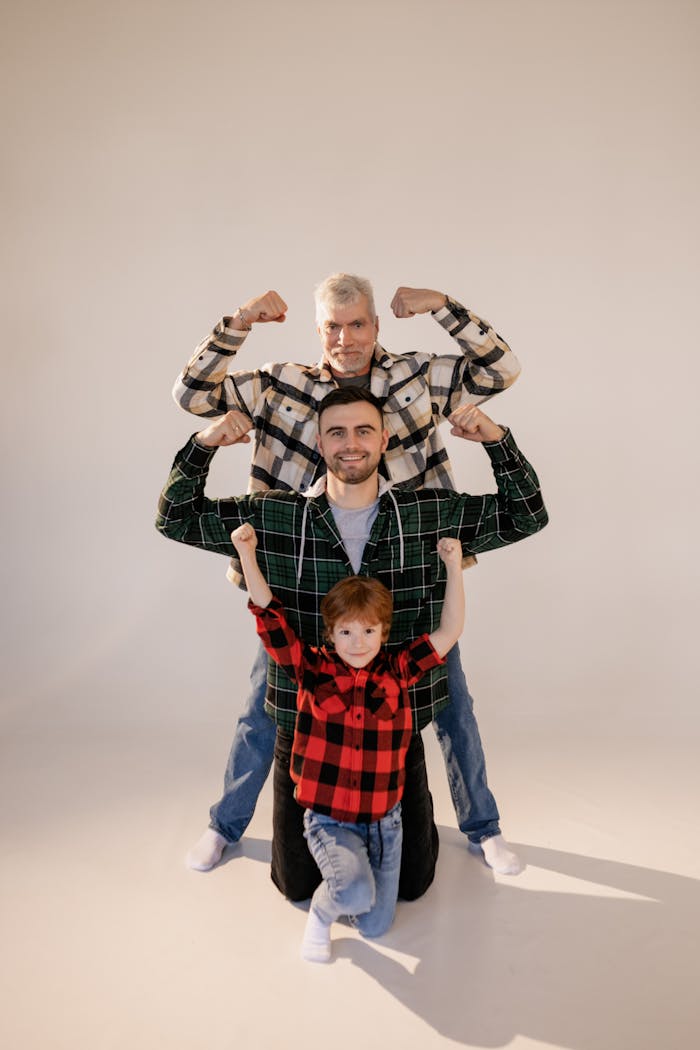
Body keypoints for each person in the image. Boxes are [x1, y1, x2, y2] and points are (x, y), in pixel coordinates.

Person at [173, 275, 527, 877]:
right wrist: (242, 319)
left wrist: (443, 306)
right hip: (300, 574)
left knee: (450, 703)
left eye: (357, 324)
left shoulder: (415, 377)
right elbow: (194, 396)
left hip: (410, 575)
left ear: (376, 326)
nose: (345, 338)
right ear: (319, 331)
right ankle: (225, 826)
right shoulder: (280, 385)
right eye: (333, 327)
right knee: (267, 704)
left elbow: (500, 370)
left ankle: (483, 828)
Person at [230, 522, 465, 963]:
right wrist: (246, 555)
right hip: (330, 818)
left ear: (383, 633)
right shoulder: (314, 671)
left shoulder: (397, 671)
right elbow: (269, 614)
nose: (358, 643)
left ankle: (350, 886)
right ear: (330, 633)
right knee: (354, 892)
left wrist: (454, 567)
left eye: (369, 632)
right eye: (346, 633)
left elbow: (448, 632)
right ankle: (322, 913)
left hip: (385, 823)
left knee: (376, 926)